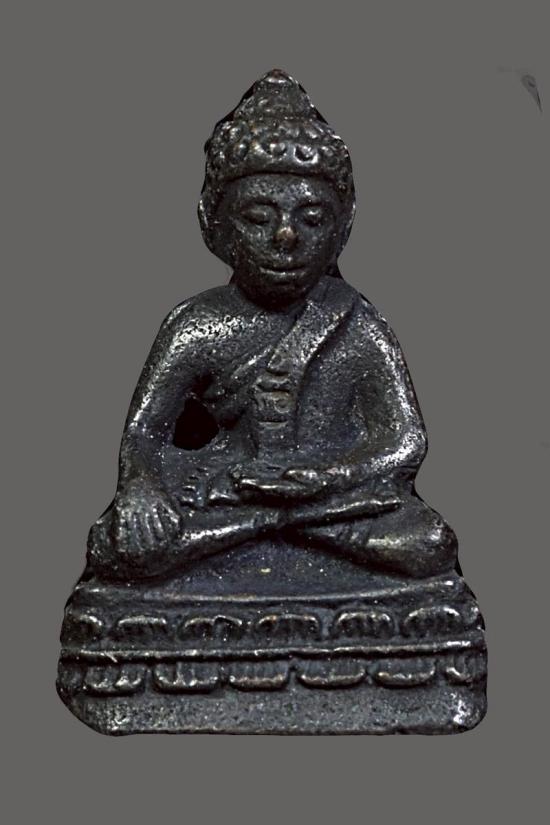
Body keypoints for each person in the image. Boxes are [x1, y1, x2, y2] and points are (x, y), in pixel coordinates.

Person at [87, 70, 457, 582]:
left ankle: (274, 525)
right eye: (258, 218)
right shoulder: (197, 324)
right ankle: (279, 525)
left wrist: (326, 477)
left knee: (428, 542)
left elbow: (405, 440)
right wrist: (141, 488)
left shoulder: (358, 323)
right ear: (214, 224)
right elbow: (144, 433)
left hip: (328, 497)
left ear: (343, 226)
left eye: (312, 219)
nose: (285, 237)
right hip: (230, 487)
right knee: (120, 546)